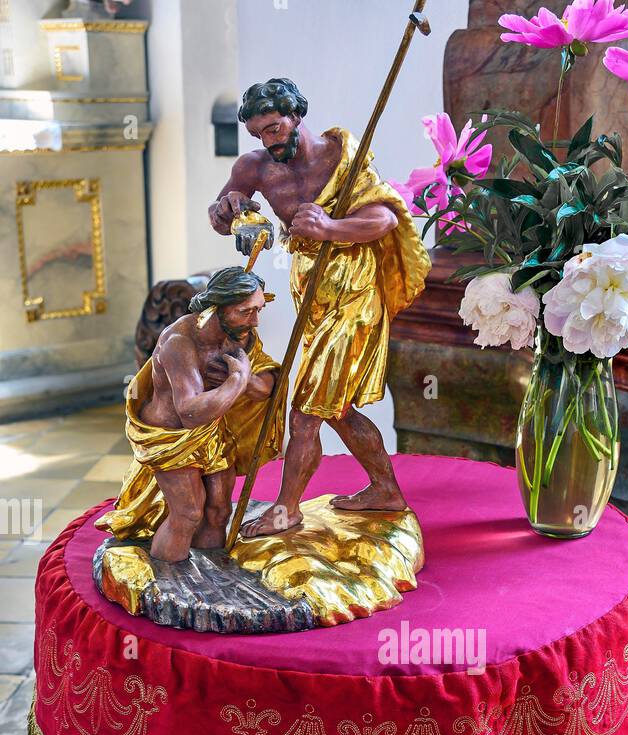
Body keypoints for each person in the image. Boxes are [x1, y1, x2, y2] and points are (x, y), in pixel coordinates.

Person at [208, 77, 430, 537]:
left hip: (354, 287)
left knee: (305, 408)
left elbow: (384, 217)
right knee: (338, 406)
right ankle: (385, 489)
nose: (268, 141)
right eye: (258, 134)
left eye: (273, 128)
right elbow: (222, 216)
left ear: (295, 117)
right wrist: (226, 210)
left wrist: (330, 226)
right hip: (310, 286)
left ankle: (286, 510)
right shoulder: (255, 167)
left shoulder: (339, 157)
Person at [97, 268, 282, 563]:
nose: (255, 320)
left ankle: (211, 574)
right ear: (216, 308)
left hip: (213, 432)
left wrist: (246, 379)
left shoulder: (239, 335)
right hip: (172, 438)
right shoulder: (179, 343)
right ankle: (169, 577)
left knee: (219, 510)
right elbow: (190, 412)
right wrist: (237, 381)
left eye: (258, 309)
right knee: (188, 513)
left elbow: (266, 387)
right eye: (245, 311)